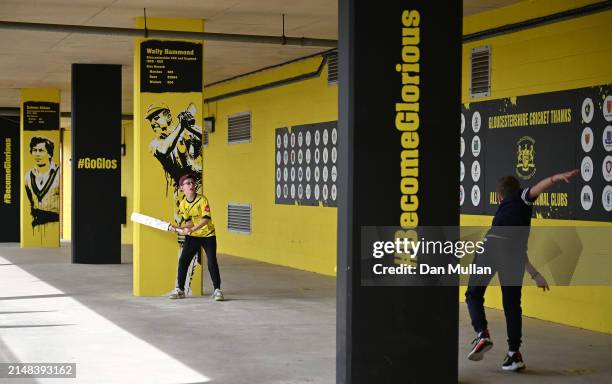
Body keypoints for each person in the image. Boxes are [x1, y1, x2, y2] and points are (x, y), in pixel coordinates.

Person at [465, 169, 578, 371]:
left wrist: (553, 179)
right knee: (511, 305)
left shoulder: (515, 200)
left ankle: (482, 334)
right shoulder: (522, 205)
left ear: (499, 197)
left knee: (473, 294)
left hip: (491, 247)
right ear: (515, 190)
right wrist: (535, 274)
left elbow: (535, 190)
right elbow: (517, 250)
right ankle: (514, 354)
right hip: (513, 256)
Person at [167, 174, 224, 301]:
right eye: (187, 183)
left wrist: (191, 229)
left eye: (192, 183)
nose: (191, 185)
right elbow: (189, 222)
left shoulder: (203, 200)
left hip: (208, 235)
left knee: (211, 261)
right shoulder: (182, 205)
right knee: (183, 261)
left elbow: (205, 219)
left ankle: (217, 290)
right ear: (182, 188)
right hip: (193, 237)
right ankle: (180, 290)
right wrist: (179, 227)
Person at [24, 136, 60, 227]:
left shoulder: (59, 173)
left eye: (41, 151)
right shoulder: (28, 176)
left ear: (49, 154)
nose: (37, 154)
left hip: (54, 222)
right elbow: (28, 201)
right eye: (34, 150)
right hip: (35, 223)